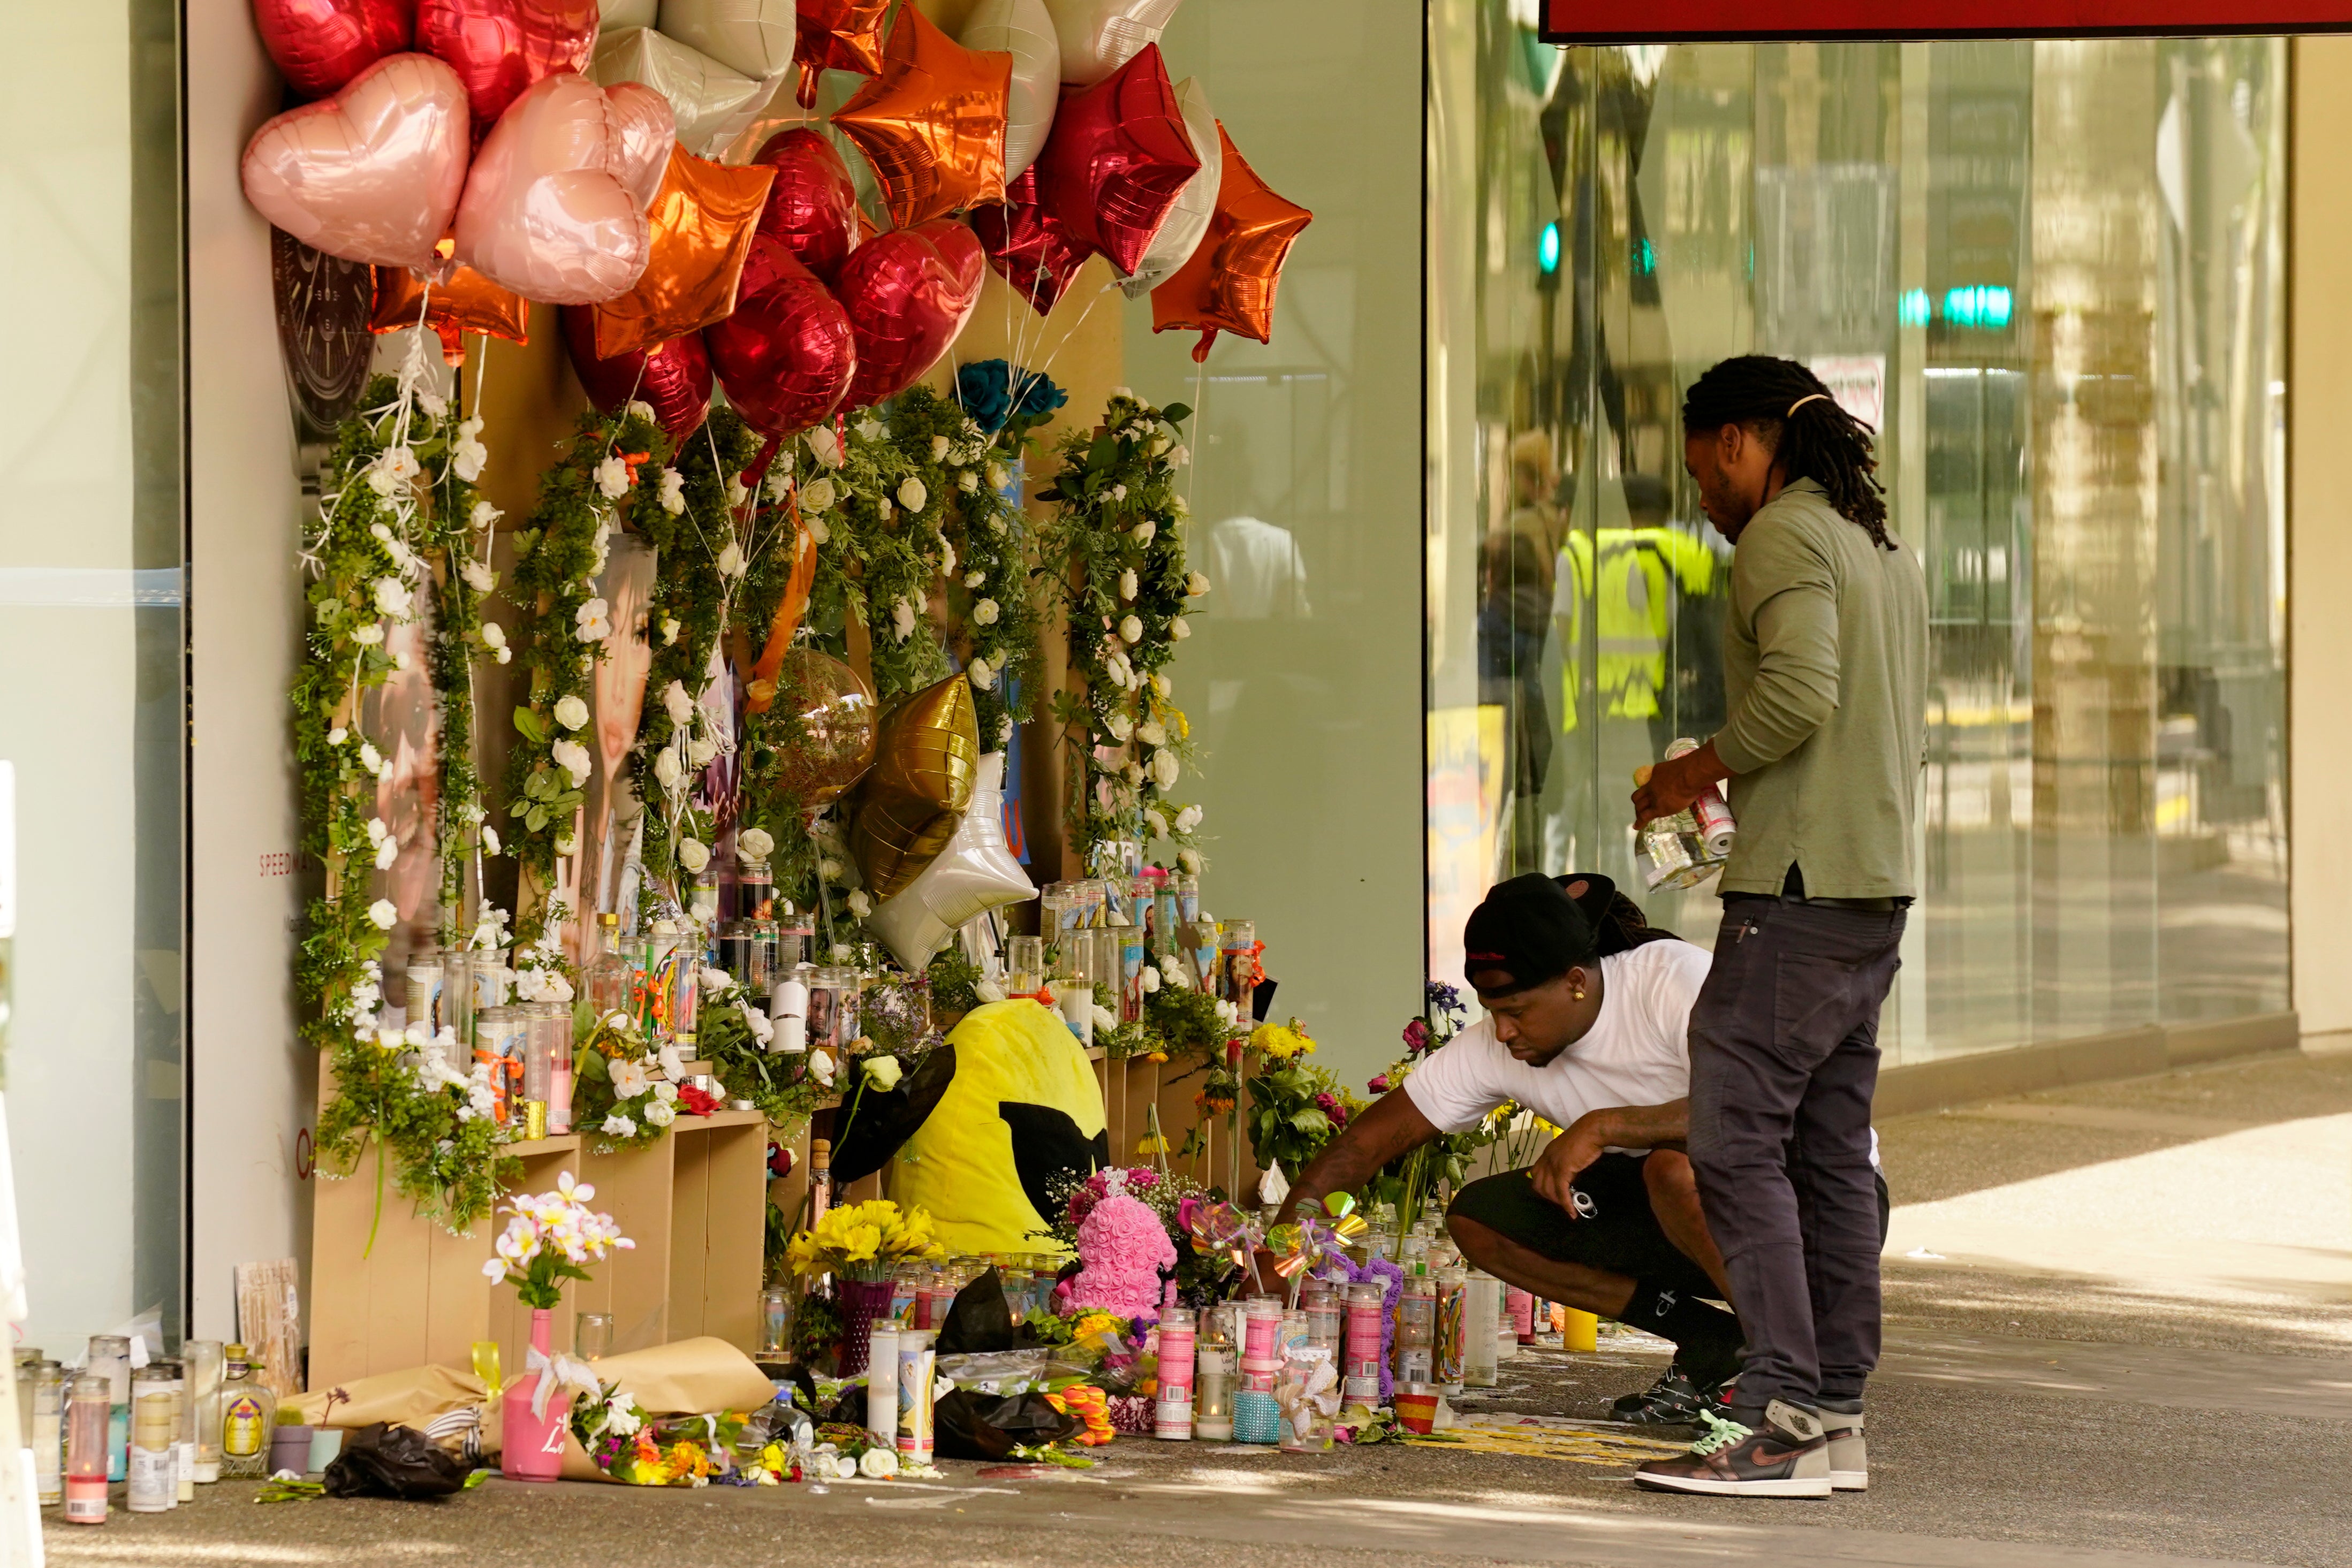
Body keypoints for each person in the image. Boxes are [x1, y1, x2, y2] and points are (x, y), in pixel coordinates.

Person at [1627, 356, 1926, 1499]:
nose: (1703, 497)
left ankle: (1780, 1412)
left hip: (1795, 895)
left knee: (1734, 1141)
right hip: (1869, 889)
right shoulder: (1875, 545)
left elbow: (1799, 694)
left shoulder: (1783, 535)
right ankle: (1833, 1410)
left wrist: (1689, 772)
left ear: (1740, 440)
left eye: (1704, 471)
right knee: (1827, 1150)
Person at [1273, 873, 1748, 1421]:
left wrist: (1602, 1127)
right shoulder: (1497, 1048)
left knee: (1672, 1169)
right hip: (1676, 1222)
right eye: (1491, 1010)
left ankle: (1788, 1364)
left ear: (1575, 981)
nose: (1502, 1032)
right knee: (1482, 1219)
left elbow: (1752, 1106)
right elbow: (1361, 1148)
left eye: (1517, 1011)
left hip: (1792, 1213)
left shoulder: (1672, 980)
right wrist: (1276, 1262)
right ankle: (1714, 1341)